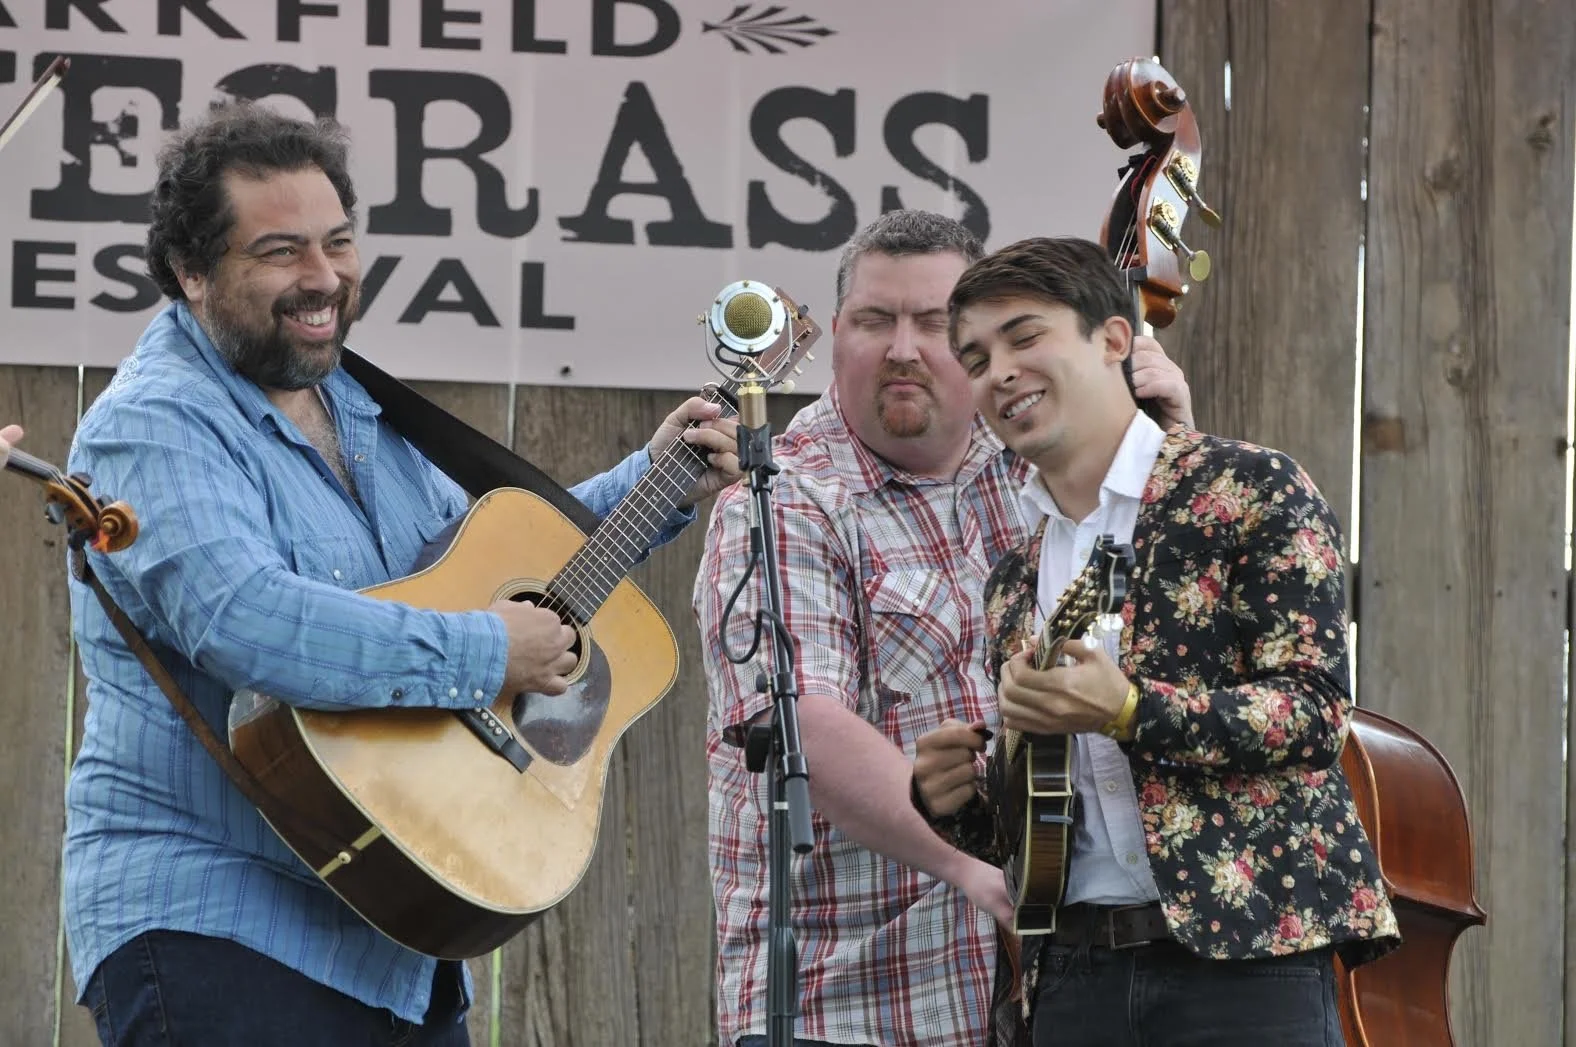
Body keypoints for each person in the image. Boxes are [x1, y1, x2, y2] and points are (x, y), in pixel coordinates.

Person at [62, 102, 740, 1046]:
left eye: (338, 242)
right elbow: (249, 622)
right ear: (190, 271)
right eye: (280, 252)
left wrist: (655, 477)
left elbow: (470, 571)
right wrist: (490, 648)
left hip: (393, 933)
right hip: (215, 919)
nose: (323, 278)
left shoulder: (355, 403)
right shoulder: (155, 422)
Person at [692, 210, 1194, 1047]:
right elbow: (805, 724)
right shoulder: (782, 500)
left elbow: (1177, 633)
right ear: (836, 335)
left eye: (932, 323)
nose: (901, 347)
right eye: (873, 320)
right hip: (851, 1001)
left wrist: (1165, 440)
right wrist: (975, 868)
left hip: (1042, 996)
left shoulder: (1038, 472)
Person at [913, 236, 1401, 1047]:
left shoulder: (1251, 488)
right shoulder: (1012, 575)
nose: (996, 370)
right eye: (975, 356)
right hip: (1073, 977)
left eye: (1024, 336)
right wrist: (953, 797)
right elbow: (1035, 829)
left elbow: (1314, 712)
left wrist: (1133, 709)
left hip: (1245, 969)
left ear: (1113, 340)